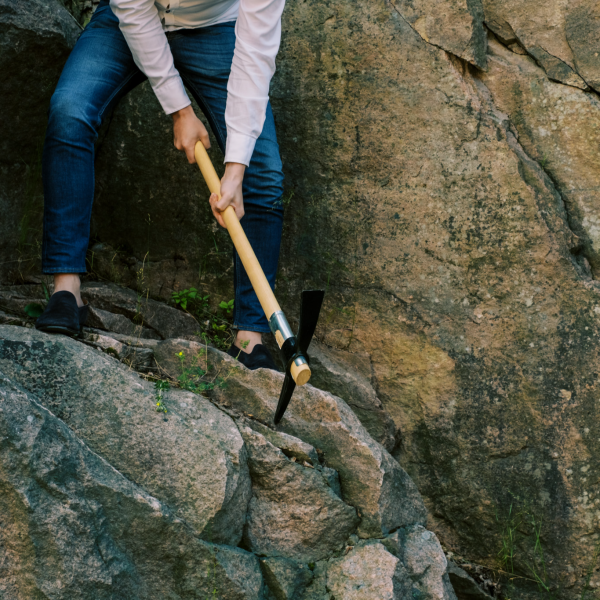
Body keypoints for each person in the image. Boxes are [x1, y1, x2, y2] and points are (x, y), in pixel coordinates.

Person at [35, 0, 287, 370]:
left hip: (216, 28)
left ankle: (251, 336)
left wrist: (235, 168)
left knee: (263, 173)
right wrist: (180, 111)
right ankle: (66, 290)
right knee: (69, 112)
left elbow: (256, 52)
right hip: (128, 20)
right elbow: (132, 9)